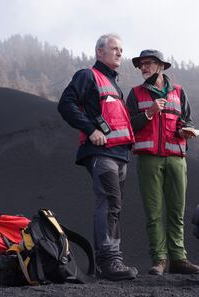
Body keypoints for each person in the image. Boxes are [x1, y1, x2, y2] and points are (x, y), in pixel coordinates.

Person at [58, 34, 138, 281]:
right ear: (99, 52)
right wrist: (91, 130)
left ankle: (110, 260)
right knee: (109, 203)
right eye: (114, 48)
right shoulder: (87, 75)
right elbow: (66, 104)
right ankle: (109, 261)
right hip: (101, 154)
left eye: (121, 50)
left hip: (120, 154)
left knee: (114, 206)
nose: (119, 53)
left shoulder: (114, 85)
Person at [126, 49, 199, 275]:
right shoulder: (135, 93)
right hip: (148, 160)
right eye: (141, 65)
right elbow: (128, 125)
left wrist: (184, 129)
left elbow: (186, 119)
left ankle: (178, 259)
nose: (143, 68)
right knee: (154, 213)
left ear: (161, 66)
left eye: (148, 63)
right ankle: (159, 260)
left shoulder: (178, 92)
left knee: (177, 211)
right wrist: (148, 113)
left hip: (176, 159)